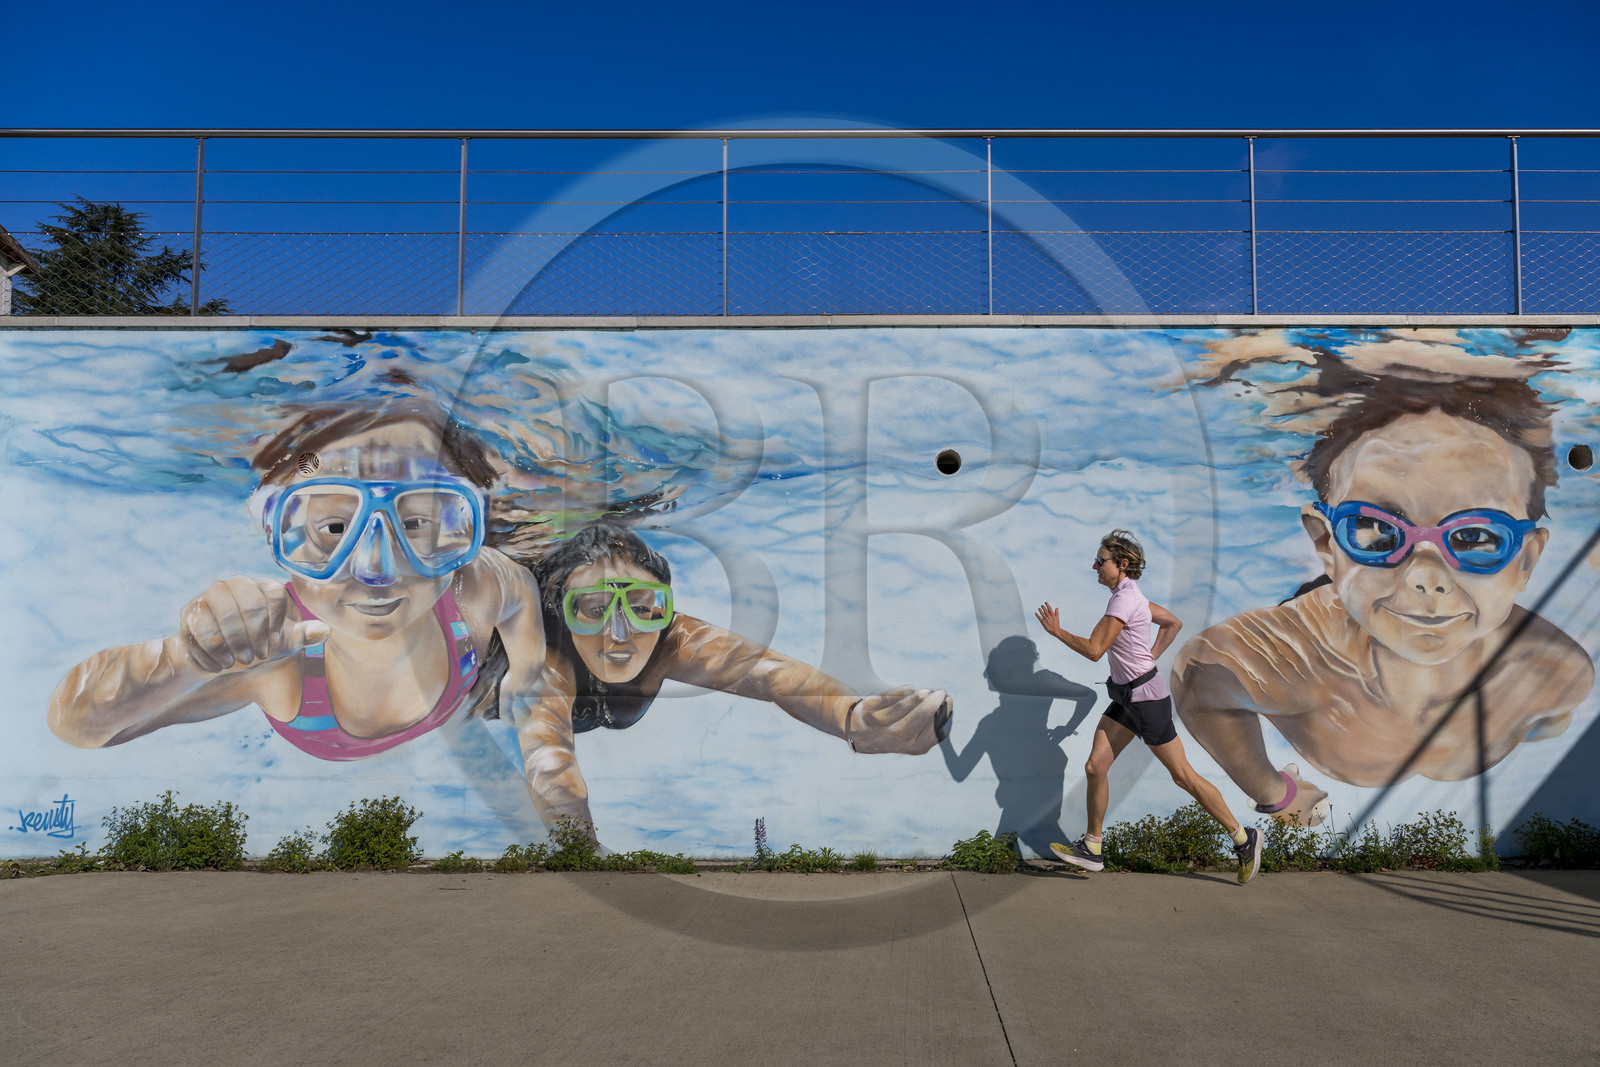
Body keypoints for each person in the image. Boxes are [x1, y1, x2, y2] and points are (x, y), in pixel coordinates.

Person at [1171, 377, 1592, 825]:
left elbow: (1553, 718)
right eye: (1377, 529)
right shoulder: (1285, 664)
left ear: (1526, 561)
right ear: (1326, 545)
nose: (1426, 578)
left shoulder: (1554, 675)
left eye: (1474, 537)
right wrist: (1275, 793)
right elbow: (1197, 684)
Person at [47, 400, 548, 761]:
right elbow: (80, 726)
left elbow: (522, 590)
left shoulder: (471, 586)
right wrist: (187, 657)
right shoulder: (268, 654)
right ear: (281, 536)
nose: (376, 570)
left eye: (414, 523)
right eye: (334, 529)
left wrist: (525, 670)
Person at [479, 521, 952, 836]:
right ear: (561, 612)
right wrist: (585, 855)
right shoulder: (546, 663)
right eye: (593, 609)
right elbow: (551, 767)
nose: (620, 633)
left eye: (643, 606)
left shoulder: (671, 639)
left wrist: (853, 718)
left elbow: (771, 675)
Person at [1036, 529, 1262, 882]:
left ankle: (1244, 839)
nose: (1095, 566)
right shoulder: (1129, 595)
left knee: (1183, 776)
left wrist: (1057, 632)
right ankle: (1092, 847)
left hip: (1147, 702)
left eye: (1100, 561)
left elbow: (1095, 650)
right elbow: (1172, 622)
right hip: (1127, 698)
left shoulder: (1123, 601)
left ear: (1122, 564)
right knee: (1096, 767)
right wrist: (1149, 658)